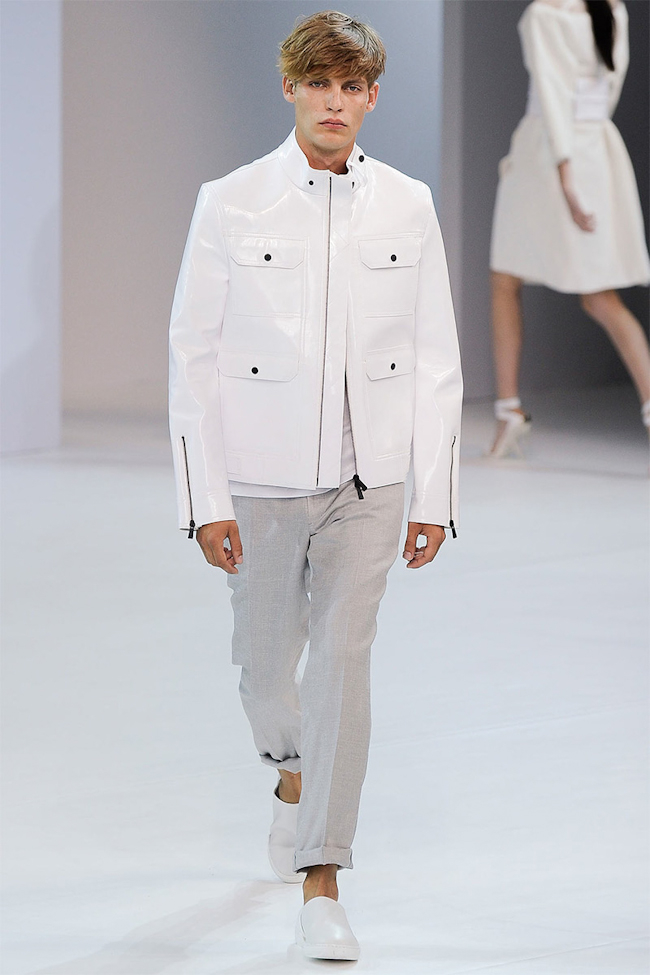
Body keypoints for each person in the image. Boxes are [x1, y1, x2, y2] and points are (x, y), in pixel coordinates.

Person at [169, 10, 462, 961]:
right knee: (264, 670)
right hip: (259, 480)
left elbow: (435, 357)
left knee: (343, 660)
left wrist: (434, 494)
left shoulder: (408, 204)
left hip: (370, 482)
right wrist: (205, 498)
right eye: (319, 84)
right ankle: (291, 773)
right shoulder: (231, 201)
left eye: (351, 87)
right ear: (290, 87)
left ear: (372, 97)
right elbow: (192, 354)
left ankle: (322, 875)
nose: (335, 102)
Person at [489, 0, 650, 457]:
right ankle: (509, 412)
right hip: (596, 147)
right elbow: (607, 87)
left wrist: (565, 173)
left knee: (509, 279)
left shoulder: (545, 14)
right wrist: (582, 148)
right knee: (595, 295)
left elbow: (552, 92)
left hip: (548, 154)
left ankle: (509, 412)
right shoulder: (613, 11)